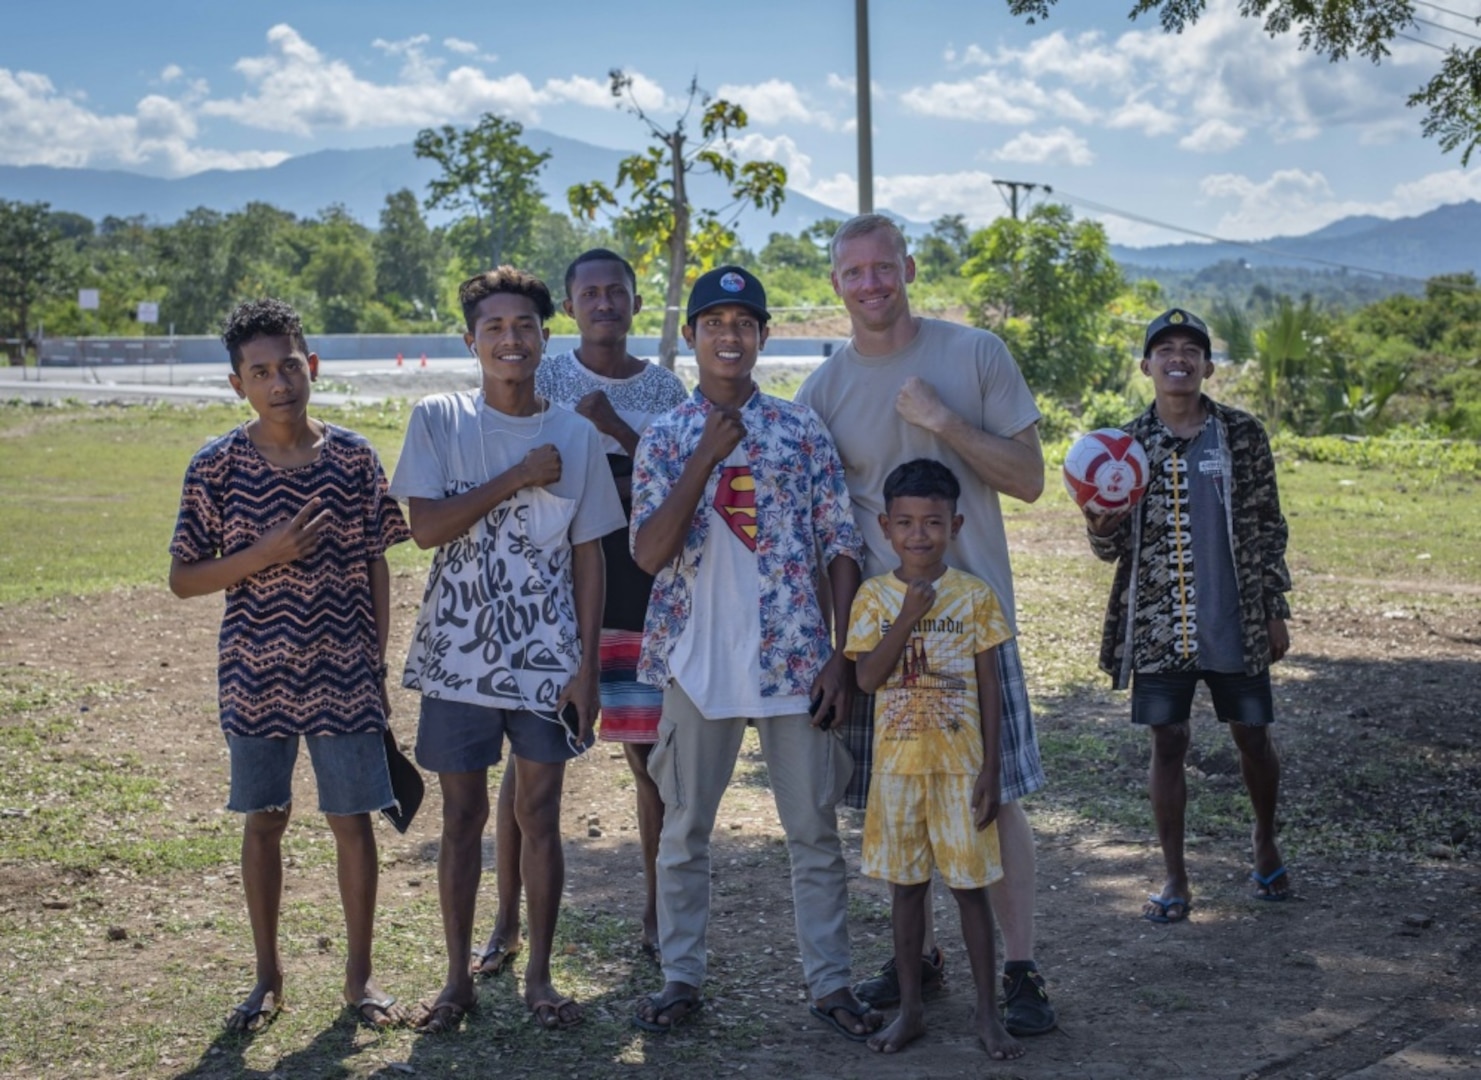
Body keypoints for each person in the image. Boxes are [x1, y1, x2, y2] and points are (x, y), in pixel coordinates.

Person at [794, 213, 1056, 1037]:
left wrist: (945, 424)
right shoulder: (822, 390)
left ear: (907, 267)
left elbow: (1028, 479)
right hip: (884, 638)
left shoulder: (973, 353)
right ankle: (924, 959)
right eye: (852, 272)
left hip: (973, 625)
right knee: (895, 797)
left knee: (993, 798)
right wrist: (837, 648)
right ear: (835, 284)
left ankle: (1019, 969)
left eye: (883, 267)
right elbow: (819, 525)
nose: (870, 284)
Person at [628, 265, 880, 1041]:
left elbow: (839, 541)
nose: (728, 336)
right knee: (682, 832)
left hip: (794, 662)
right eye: (714, 324)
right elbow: (647, 553)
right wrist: (704, 457)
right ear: (691, 337)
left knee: (812, 833)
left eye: (743, 323)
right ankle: (680, 979)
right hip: (697, 666)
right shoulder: (667, 436)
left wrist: (841, 653)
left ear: (762, 336)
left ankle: (830, 983)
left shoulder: (801, 430)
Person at [390, 267, 626, 1033]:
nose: (509, 340)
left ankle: (539, 976)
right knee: (459, 818)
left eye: (522, 326)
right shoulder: (439, 419)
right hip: (457, 656)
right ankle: (457, 978)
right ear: (470, 341)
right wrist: (517, 476)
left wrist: (587, 668)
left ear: (543, 336)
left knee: (540, 813)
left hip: (548, 661)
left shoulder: (577, 434)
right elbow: (425, 529)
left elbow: (589, 556)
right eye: (492, 328)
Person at [167, 298, 411, 1033]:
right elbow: (183, 577)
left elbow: (377, 565)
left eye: (290, 367)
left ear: (314, 366)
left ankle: (359, 980)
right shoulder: (216, 465)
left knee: (352, 820)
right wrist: (261, 555)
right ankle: (267, 976)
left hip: (344, 672)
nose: (280, 384)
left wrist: (375, 660)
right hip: (254, 673)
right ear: (236, 382)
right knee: (264, 819)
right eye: (260, 372)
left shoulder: (354, 458)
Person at [475, 249, 686, 976]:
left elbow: (675, 493)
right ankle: (504, 921)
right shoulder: (547, 378)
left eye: (616, 291)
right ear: (568, 306)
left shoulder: (664, 389)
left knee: (649, 761)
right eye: (589, 292)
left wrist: (617, 437)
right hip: (548, 599)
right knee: (526, 770)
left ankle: (659, 913)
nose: (603, 302)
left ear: (635, 301)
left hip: (638, 597)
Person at [1083, 307, 1293, 923]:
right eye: (1165, 349)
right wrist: (1100, 526)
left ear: (1206, 364)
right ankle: (1174, 877)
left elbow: (1268, 524)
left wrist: (1275, 607)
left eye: (1191, 349)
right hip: (1156, 622)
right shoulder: (1121, 446)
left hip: (1235, 618)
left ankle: (1264, 839)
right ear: (1147, 365)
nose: (1178, 358)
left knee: (1252, 736)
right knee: (1168, 740)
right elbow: (1108, 545)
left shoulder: (1242, 435)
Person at [844, 458, 1024, 1061]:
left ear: (957, 525)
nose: (919, 535)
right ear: (884, 526)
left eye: (933, 522)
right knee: (907, 891)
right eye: (906, 523)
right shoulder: (872, 598)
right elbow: (866, 679)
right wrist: (908, 618)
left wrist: (993, 768)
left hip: (961, 769)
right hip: (897, 773)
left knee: (971, 891)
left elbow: (992, 685)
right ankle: (913, 1011)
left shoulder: (975, 597)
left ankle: (986, 1014)